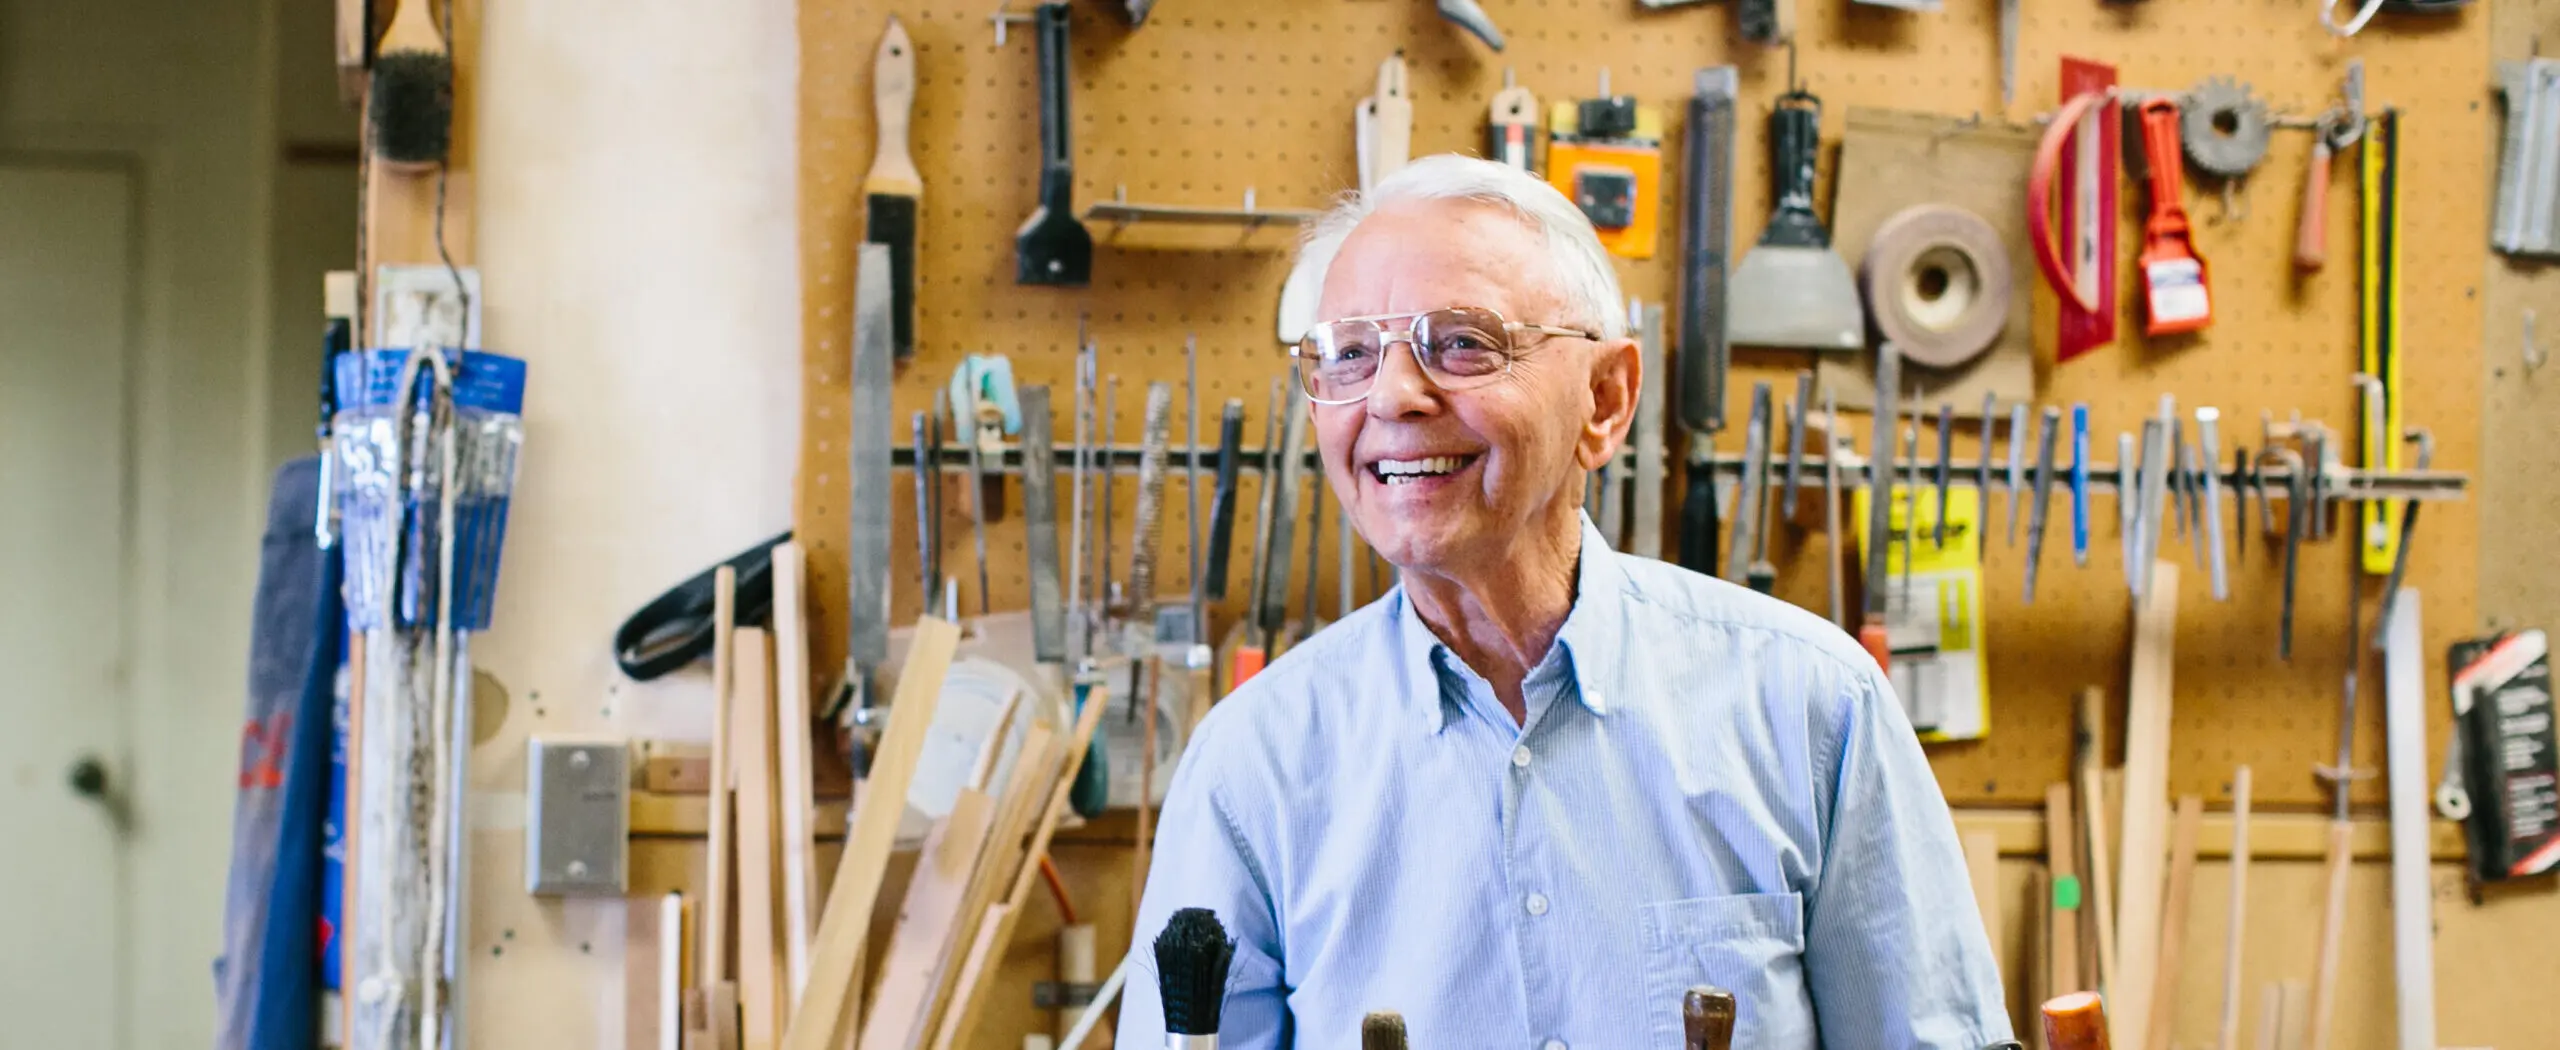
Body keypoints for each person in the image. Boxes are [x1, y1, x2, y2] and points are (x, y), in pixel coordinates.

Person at [1118, 154, 2010, 1050]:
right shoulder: (1252, 767)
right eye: (1348, 354)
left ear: (1606, 400)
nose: (1390, 395)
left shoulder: (1814, 709)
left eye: (1460, 342)